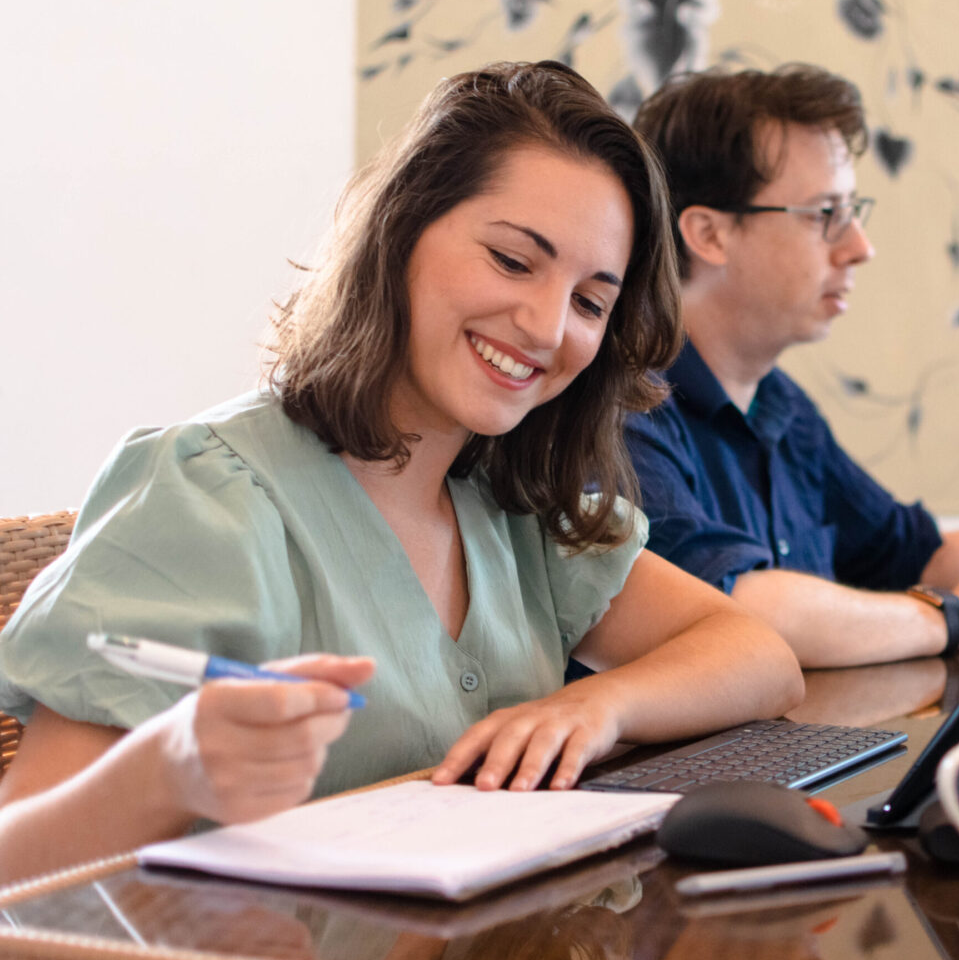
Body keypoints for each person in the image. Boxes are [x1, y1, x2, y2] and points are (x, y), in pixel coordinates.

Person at [0, 60, 803, 882]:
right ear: (402, 232)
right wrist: (166, 770)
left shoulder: (511, 502)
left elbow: (761, 658)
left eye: (591, 302)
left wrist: (596, 704)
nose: (544, 325)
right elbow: (12, 874)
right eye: (512, 260)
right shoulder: (206, 491)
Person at [626, 63, 959, 669]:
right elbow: (726, 608)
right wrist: (956, 616)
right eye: (824, 214)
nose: (860, 247)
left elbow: (917, 553)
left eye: (852, 210)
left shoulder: (783, 407)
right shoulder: (621, 406)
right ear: (708, 233)